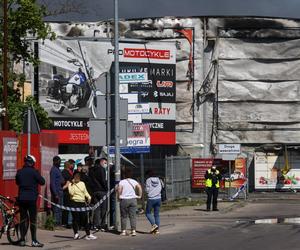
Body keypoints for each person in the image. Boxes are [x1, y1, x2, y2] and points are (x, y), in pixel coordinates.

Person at [15, 155, 45, 247]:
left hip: (22, 199)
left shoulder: (19, 172)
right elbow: (42, 182)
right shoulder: (34, 172)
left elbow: (17, 182)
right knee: (32, 220)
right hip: (32, 199)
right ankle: (34, 241)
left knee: (23, 219)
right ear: (32, 163)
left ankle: (22, 240)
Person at [68, 171, 97, 240]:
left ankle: (88, 234)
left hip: (82, 203)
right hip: (74, 203)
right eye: (76, 177)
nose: (77, 179)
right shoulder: (70, 184)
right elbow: (71, 193)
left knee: (84, 219)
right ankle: (76, 234)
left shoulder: (82, 183)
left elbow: (85, 192)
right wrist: (73, 184)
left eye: (78, 177)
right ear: (73, 178)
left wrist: (89, 197)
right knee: (75, 219)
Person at [118, 167, 142, 236]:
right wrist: (139, 196)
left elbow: (119, 189)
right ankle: (133, 230)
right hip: (133, 200)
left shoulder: (122, 182)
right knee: (133, 216)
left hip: (124, 200)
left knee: (123, 216)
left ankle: (123, 231)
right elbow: (139, 187)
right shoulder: (134, 181)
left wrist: (118, 196)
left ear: (124, 175)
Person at [88, 157, 108, 231]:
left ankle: (96, 225)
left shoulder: (91, 170)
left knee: (97, 209)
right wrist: (106, 188)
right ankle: (102, 225)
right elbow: (103, 180)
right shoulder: (101, 169)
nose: (105, 164)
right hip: (101, 190)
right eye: (104, 163)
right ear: (101, 162)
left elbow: (90, 181)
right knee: (103, 208)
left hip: (94, 191)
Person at [145, 169, 163, 234]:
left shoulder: (148, 180)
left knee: (148, 213)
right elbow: (161, 187)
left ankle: (154, 225)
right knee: (157, 215)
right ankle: (157, 230)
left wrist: (148, 192)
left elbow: (147, 190)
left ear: (148, 174)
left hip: (151, 198)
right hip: (158, 198)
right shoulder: (159, 179)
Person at [50, 155, 64, 225]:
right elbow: (52, 183)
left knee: (60, 208)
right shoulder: (53, 170)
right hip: (57, 193)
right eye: (58, 161)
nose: (59, 163)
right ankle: (56, 223)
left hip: (60, 191)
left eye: (60, 161)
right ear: (55, 162)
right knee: (56, 209)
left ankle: (59, 222)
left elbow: (60, 180)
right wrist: (55, 194)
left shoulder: (58, 169)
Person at [61, 160, 73, 228]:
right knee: (67, 207)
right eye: (71, 164)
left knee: (68, 207)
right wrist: (65, 186)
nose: (72, 165)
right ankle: (66, 222)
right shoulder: (65, 172)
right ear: (68, 165)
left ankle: (68, 222)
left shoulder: (68, 172)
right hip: (66, 192)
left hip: (69, 192)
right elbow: (66, 181)